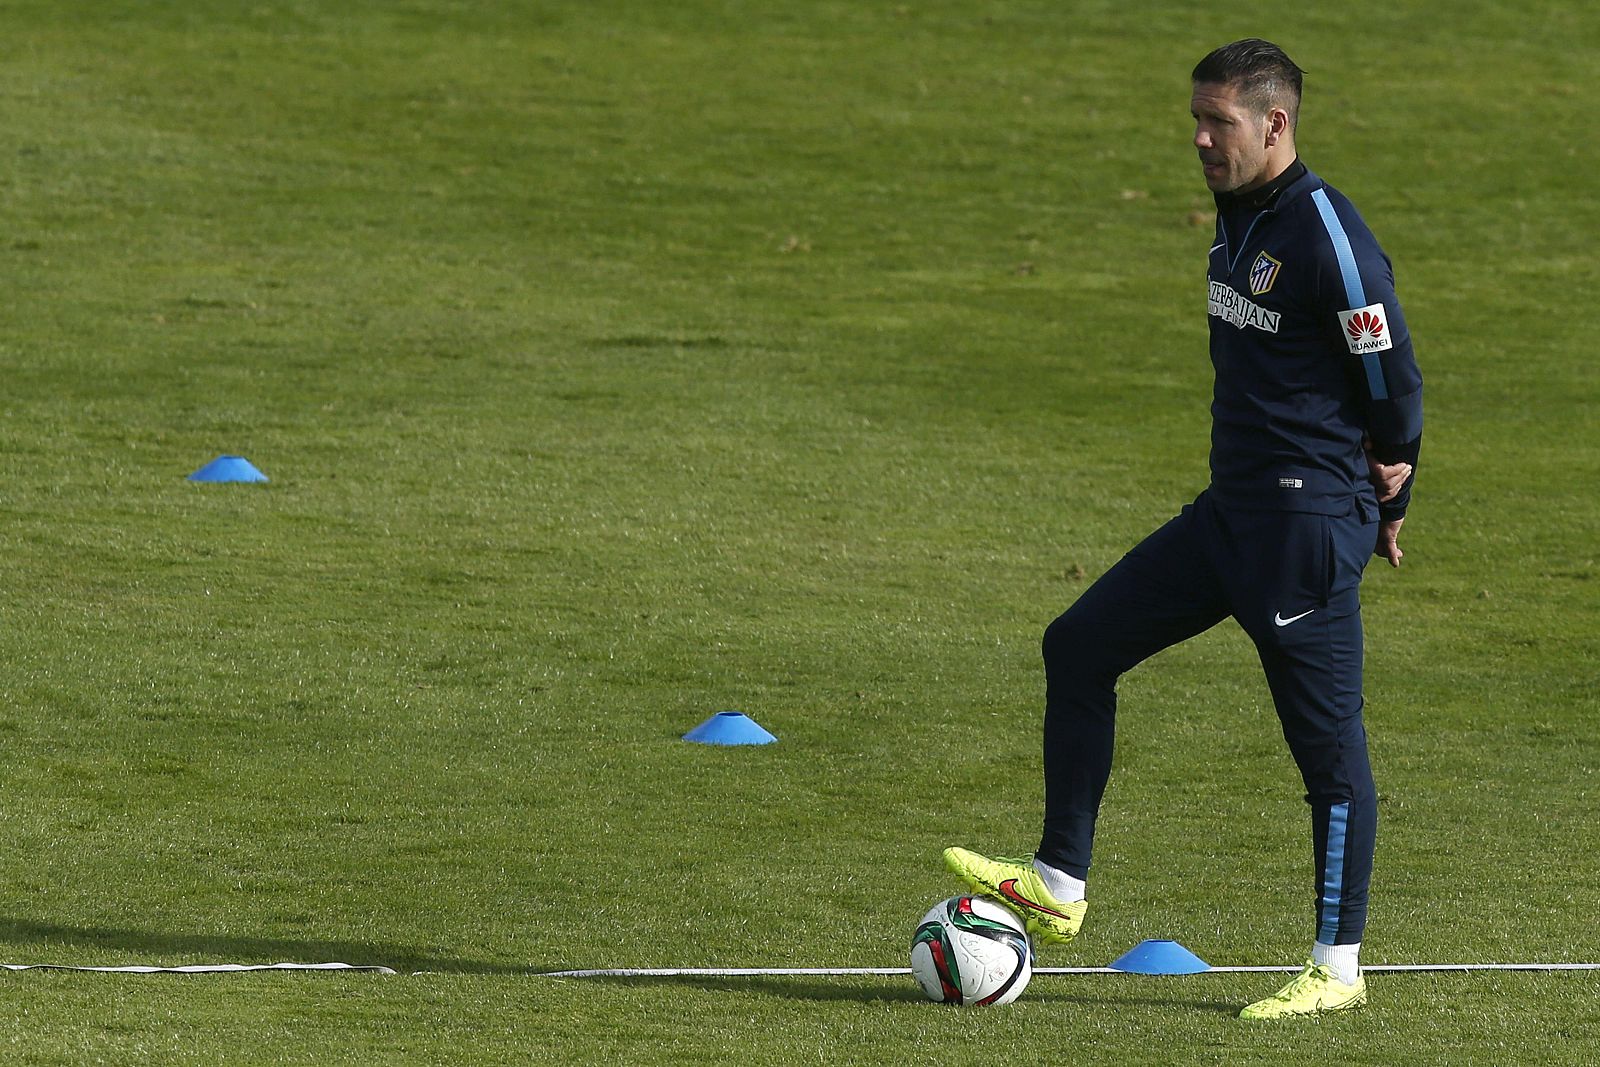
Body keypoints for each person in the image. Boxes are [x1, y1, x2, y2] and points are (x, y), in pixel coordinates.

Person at [944, 38, 1422, 1019]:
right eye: (1195, 120)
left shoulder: (1330, 239)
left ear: (1275, 123)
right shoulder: (1240, 214)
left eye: (1218, 122)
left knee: (1329, 757)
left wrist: (1390, 490)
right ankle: (1058, 882)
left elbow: (1393, 381)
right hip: (1229, 517)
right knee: (1079, 643)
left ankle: (1337, 966)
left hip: (1300, 532)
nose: (1200, 139)